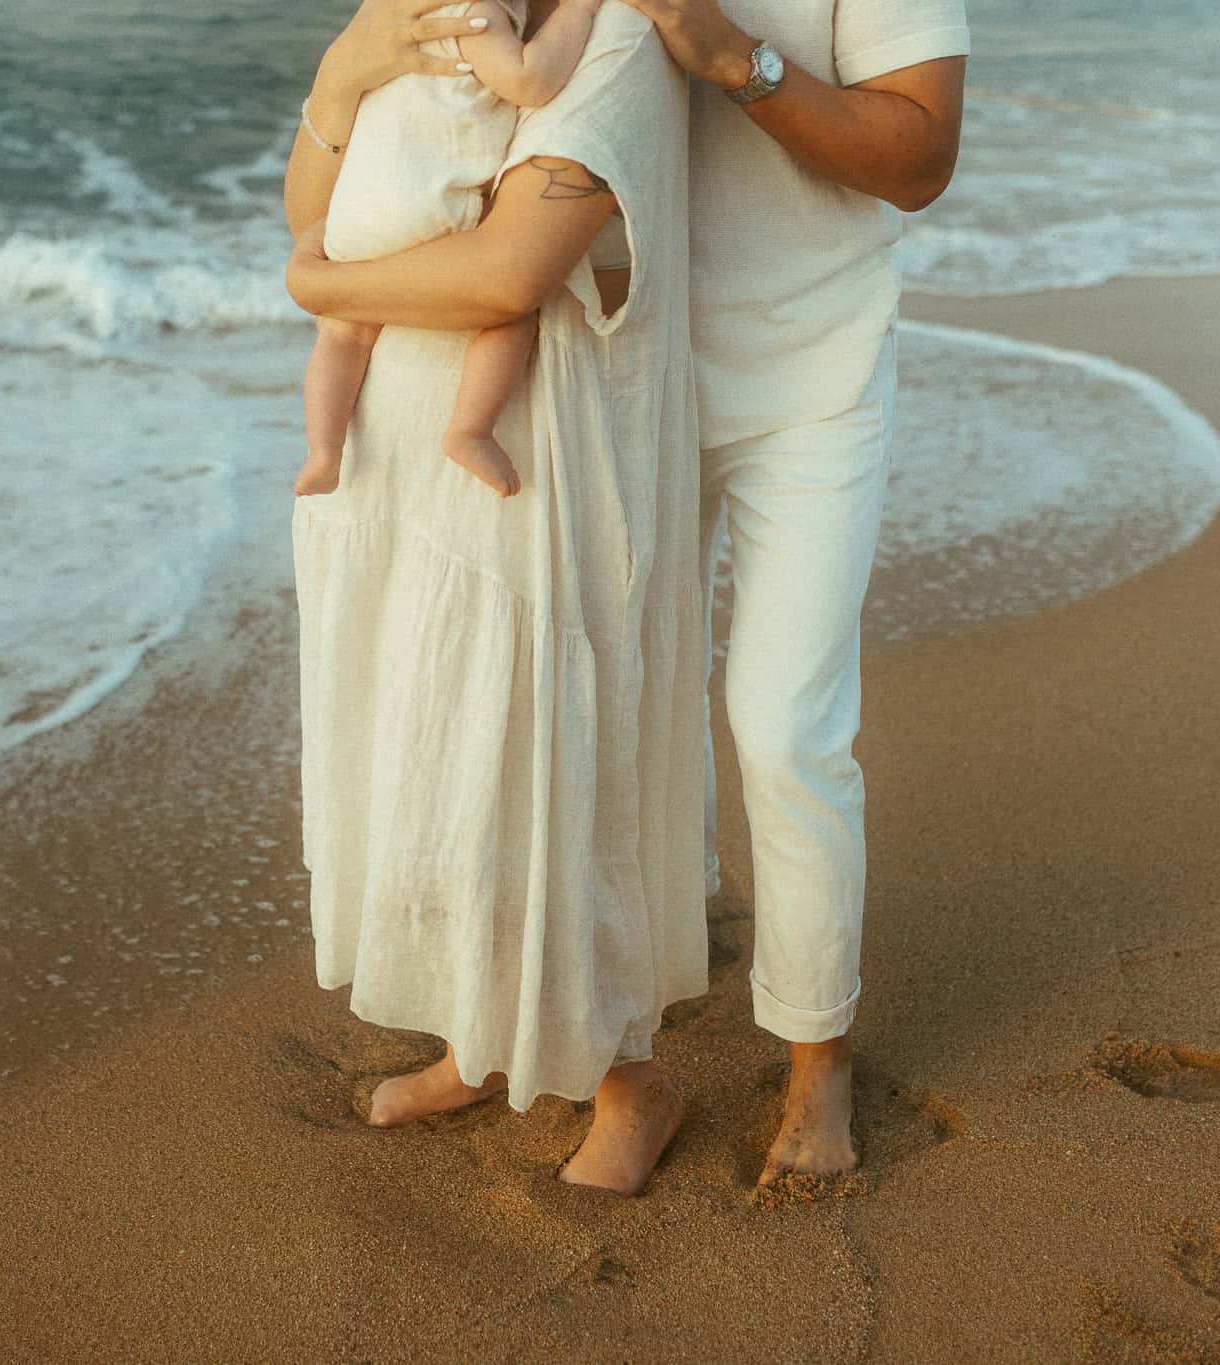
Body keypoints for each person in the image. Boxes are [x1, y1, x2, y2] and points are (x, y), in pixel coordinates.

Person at [283, 0, 706, 1195]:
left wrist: (319, 284)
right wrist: (338, 71)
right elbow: (311, 203)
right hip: (397, 431)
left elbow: (507, 274)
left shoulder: (613, 33)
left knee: (548, 761)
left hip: (538, 447)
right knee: (434, 755)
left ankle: (628, 1071)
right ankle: (481, 1035)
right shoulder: (417, 16)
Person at [611, 0, 968, 1187]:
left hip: (811, 369)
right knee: (607, 707)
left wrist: (738, 61)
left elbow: (919, 159)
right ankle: (578, 1022)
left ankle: (818, 1055)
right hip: (611, 363)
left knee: (782, 729)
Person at [295, 0, 613, 499]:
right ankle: (470, 429)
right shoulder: (477, 12)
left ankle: (324, 451)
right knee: (509, 316)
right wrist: (579, 12)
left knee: (342, 333)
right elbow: (528, 80)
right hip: (427, 213)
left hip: (354, 213)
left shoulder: (396, 14)